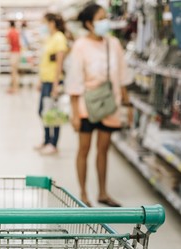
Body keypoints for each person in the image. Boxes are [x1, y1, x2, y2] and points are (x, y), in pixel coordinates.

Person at [65, 4, 132, 207]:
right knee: (84, 149)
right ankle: (83, 194)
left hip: (110, 104)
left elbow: (121, 77)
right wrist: (75, 114)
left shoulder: (113, 44)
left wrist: (127, 105)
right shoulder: (80, 46)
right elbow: (75, 81)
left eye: (105, 17)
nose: (105, 22)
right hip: (87, 104)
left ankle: (103, 192)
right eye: (100, 18)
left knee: (104, 149)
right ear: (89, 23)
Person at [35, 13, 68, 155]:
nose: (43, 26)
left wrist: (55, 85)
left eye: (45, 23)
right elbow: (46, 61)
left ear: (52, 23)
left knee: (53, 113)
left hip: (53, 81)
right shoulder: (50, 38)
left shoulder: (59, 38)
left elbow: (59, 63)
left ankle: (53, 144)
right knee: (43, 112)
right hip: (46, 80)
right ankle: (47, 140)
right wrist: (40, 80)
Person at [7, 20, 21, 93]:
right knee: (16, 71)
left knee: (13, 72)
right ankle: (15, 87)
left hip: (13, 52)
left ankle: (14, 88)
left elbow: (8, 42)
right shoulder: (17, 32)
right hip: (18, 52)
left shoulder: (10, 32)